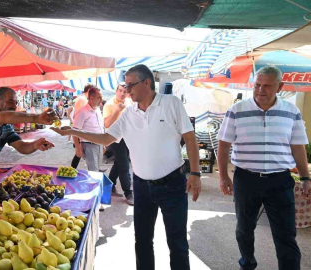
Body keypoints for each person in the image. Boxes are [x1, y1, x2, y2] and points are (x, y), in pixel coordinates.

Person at [51, 64, 201, 270]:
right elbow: (105, 138)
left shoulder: (171, 103)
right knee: (142, 241)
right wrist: (75, 131)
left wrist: (195, 173)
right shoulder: (129, 113)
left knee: (177, 242)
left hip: (173, 184)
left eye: (131, 85)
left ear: (146, 83)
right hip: (142, 186)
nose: (127, 90)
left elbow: (190, 138)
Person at [217, 66, 310, 270]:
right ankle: (247, 263)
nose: (261, 90)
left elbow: (298, 147)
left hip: (280, 180)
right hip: (246, 179)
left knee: (285, 233)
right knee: (244, 229)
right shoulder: (237, 110)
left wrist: (305, 177)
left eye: (267, 85)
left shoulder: (291, 111)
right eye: (257, 85)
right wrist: (223, 177)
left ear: (280, 87)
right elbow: (223, 146)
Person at [103, 82, 134, 204]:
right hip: (115, 139)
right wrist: (116, 110)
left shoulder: (129, 102)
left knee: (119, 163)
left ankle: (110, 184)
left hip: (128, 137)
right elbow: (106, 124)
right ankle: (128, 193)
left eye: (124, 91)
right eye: (120, 90)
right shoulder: (109, 104)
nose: (122, 93)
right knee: (124, 165)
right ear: (116, 91)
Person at [72, 87, 105, 172]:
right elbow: (74, 132)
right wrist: (78, 148)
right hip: (89, 145)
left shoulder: (97, 110)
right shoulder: (83, 112)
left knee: (96, 169)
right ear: (91, 98)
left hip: (99, 144)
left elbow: (100, 127)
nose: (101, 100)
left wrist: (103, 144)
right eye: (99, 98)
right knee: (93, 172)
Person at [70, 84, 94, 168]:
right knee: (79, 153)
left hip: (79, 129)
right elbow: (82, 115)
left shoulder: (81, 98)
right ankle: (71, 171)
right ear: (89, 91)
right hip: (80, 130)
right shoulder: (83, 100)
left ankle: (71, 171)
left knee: (80, 153)